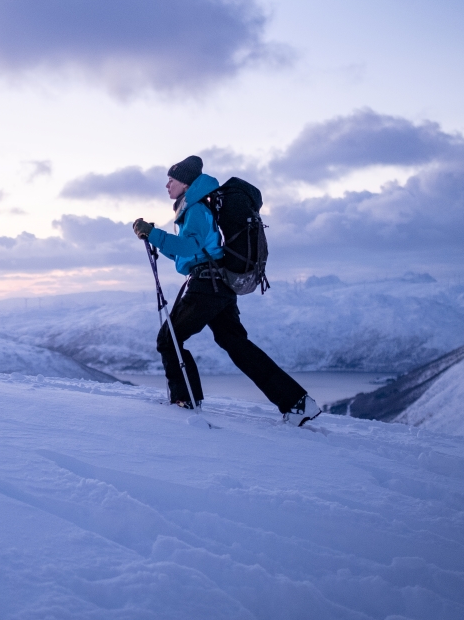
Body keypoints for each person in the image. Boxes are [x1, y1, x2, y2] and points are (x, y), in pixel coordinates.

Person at [132, 155, 322, 425]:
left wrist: (153, 234)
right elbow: (188, 256)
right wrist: (159, 241)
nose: (167, 185)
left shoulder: (196, 208)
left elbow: (190, 247)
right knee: (235, 344)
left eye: (171, 180)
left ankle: (185, 400)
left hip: (206, 287)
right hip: (218, 285)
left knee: (168, 340)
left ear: (185, 183)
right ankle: (297, 403)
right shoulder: (196, 207)